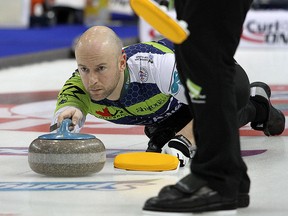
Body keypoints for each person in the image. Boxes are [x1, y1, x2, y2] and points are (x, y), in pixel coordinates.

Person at [51, 26, 285, 171]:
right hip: (173, 104)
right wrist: (67, 122)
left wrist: (185, 140)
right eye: (84, 69)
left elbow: (218, 97)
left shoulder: (154, 67)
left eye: (101, 68)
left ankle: (257, 105)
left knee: (233, 93)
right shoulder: (77, 88)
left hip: (206, 70)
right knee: (158, 142)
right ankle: (252, 106)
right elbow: (65, 120)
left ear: (122, 62)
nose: (92, 80)